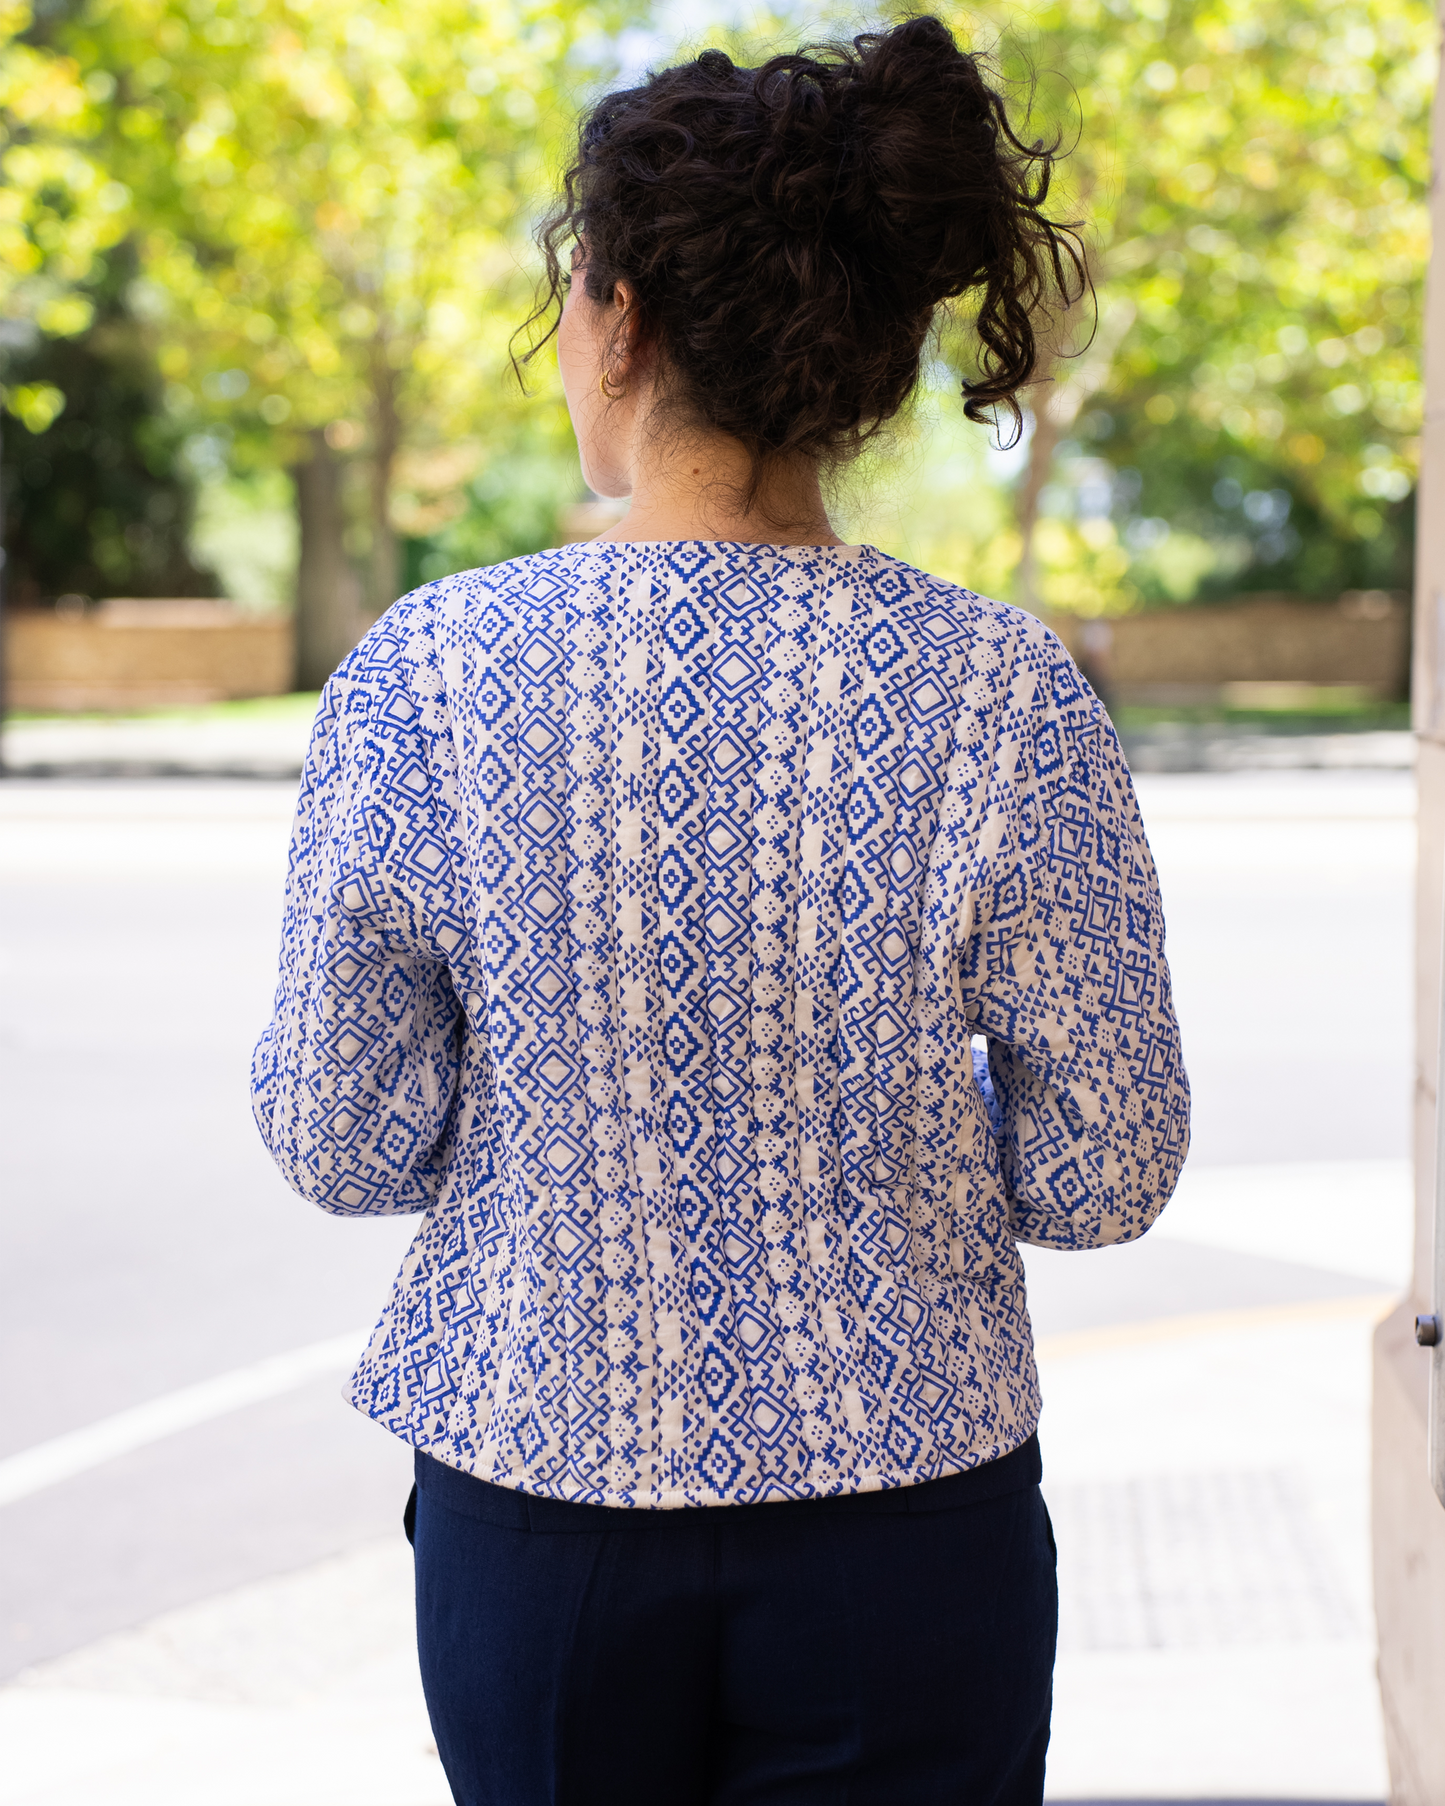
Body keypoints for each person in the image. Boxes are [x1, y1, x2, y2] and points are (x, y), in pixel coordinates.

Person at [252, 17, 1190, 1804]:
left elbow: (339, 1136)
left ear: (614, 318)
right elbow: (1108, 1168)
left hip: (541, 1502)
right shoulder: (1003, 691)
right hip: (911, 1522)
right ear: (869, 358)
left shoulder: (430, 679)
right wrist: (878, 1109)